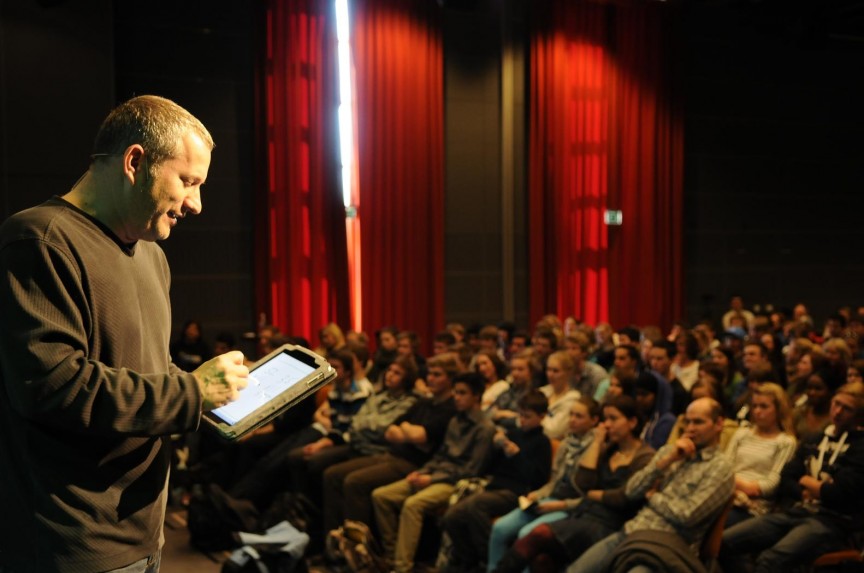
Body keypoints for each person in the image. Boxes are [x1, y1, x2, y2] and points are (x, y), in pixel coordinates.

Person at [0, 95, 249, 573]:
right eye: (188, 181)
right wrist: (192, 392)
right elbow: (54, 387)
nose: (196, 204)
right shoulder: (40, 241)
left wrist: (211, 396)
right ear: (135, 162)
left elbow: (145, 371)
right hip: (76, 545)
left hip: (144, 535)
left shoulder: (152, 255)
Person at [567, 398, 735, 573]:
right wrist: (667, 461)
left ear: (719, 424)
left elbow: (688, 516)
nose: (690, 428)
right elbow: (631, 491)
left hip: (667, 549)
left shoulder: (720, 468)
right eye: (687, 421)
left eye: (698, 422)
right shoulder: (669, 452)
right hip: (632, 533)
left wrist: (653, 496)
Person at [493, 396, 655, 573]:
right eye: (605, 419)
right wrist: (597, 443)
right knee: (541, 560)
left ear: (632, 422)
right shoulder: (608, 449)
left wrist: (592, 494)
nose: (607, 425)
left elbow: (623, 498)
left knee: (538, 534)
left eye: (613, 419)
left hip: (608, 523)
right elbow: (582, 483)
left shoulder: (644, 457)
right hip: (584, 512)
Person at [721, 381, 864, 572]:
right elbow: (787, 478)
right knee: (723, 542)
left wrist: (807, 481)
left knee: (770, 560)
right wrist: (807, 489)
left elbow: (840, 493)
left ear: (858, 414)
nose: (838, 412)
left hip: (833, 522)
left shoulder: (860, 447)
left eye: (847, 409)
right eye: (836, 404)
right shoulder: (815, 439)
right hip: (798, 511)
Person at [372, 372, 496, 573]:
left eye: (462, 393)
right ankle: (391, 555)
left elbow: (470, 470)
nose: (456, 397)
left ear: (476, 396)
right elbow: (440, 454)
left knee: (413, 505)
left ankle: (402, 567)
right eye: (455, 392)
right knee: (381, 496)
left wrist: (431, 478)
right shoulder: (455, 420)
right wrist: (422, 472)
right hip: (436, 473)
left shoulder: (485, 428)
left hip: (454, 483)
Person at [441, 391, 553, 573]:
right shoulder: (514, 434)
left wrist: (517, 455)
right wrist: (495, 446)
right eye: (520, 415)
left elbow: (537, 479)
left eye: (528, 416)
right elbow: (492, 466)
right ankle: (468, 560)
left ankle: (491, 561)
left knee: (477, 505)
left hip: (518, 492)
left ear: (541, 417)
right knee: (453, 516)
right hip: (495, 485)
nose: (523, 420)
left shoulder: (542, 442)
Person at [487, 397, 600, 571]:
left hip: (571, 507)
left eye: (579, 416)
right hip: (551, 498)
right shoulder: (566, 443)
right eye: (571, 414)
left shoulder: (597, 449)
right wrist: (538, 494)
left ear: (594, 420)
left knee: (526, 534)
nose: (572, 420)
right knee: (500, 528)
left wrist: (558, 505)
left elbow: (588, 496)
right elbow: (554, 482)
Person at [723, 383, 797, 527]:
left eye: (764, 406)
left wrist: (743, 486)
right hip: (727, 496)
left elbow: (772, 484)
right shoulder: (742, 433)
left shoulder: (786, 442)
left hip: (753, 508)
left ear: (778, 410)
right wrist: (737, 486)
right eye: (754, 406)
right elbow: (724, 467)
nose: (757, 411)